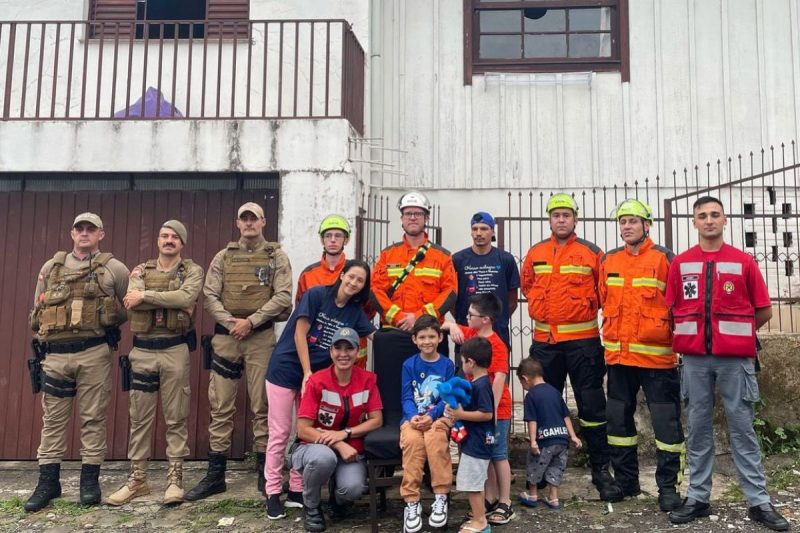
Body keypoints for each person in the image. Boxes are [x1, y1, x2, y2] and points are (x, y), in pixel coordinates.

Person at [666, 197, 789, 531]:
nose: (709, 221)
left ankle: (759, 503)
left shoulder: (743, 261)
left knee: (743, 431)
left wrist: (736, 338)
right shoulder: (680, 263)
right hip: (693, 361)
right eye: (702, 216)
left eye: (715, 215)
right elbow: (671, 309)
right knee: (699, 430)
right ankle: (697, 498)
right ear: (694, 222)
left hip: (735, 362)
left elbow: (764, 309)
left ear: (724, 220)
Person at [186, 202, 293, 501]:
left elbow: (284, 295)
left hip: (259, 338)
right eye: (244, 219)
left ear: (263, 222)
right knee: (220, 406)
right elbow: (209, 295)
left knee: (262, 405)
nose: (249, 224)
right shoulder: (223, 257)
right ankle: (215, 475)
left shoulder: (276, 257)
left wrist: (252, 321)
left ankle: (265, 472)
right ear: (238, 223)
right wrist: (231, 322)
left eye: (254, 219)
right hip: (226, 338)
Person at [520, 193, 621, 502]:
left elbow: (604, 293)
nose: (561, 219)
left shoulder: (593, 253)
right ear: (549, 220)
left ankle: (601, 470)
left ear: (575, 219)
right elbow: (527, 286)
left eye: (566, 214)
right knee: (543, 408)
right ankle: (541, 474)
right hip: (545, 346)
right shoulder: (535, 252)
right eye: (555, 215)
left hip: (583, 345)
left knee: (592, 408)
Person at [25, 212, 129, 512]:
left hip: (94, 352)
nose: (84, 233)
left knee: (93, 417)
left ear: (101, 234)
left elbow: (129, 307)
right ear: (72, 233)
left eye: (90, 229)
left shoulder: (114, 269)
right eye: (79, 229)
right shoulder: (52, 267)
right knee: (53, 420)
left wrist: (105, 319)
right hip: (55, 355)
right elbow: (38, 309)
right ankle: (48, 481)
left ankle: (89, 480)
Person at [264, 259, 376, 520]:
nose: (354, 283)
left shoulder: (354, 312)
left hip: (314, 379)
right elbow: (299, 333)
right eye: (351, 277)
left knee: (305, 434)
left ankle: (295, 490)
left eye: (360, 281)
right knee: (280, 432)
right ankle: (271, 493)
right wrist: (306, 373)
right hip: (287, 369)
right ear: (343, 274)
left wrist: (417, 338)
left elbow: (375, 336)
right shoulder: (316, 295)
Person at [106, 220, 203, 506]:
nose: (168, 240)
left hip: (175, 349)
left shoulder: (192, 271)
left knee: (176, 416)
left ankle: (175, 479)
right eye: (164, 236)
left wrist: (145, 296)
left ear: (182, 243)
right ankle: (138, 479)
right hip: (143, 351)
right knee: (140, 418)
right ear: (158, 240)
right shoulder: (140, 270)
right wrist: (169, 301)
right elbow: (129, 301)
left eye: (175, 237)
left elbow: (187, 296)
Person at [598, 199, 685, 511]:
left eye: (633, 221)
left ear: (647, 225)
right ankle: (626, 482)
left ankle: (668, 488)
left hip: (657, 362)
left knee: (667, 427)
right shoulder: (609, 261)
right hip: (619, 361)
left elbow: (679, 307)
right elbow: (603, 300)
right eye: (623, 222)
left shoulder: (665, 259)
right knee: (618, 425)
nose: (627, 227)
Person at [292, 327, 383, 533]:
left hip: (351, 450)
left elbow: (376, 420)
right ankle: (312, 505)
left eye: (349, 348)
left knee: (353, 489)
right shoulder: (317, 381)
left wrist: (346, 433)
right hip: (314, 446)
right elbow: (303, 430)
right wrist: (339, 443)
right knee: (324, 458)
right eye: (338, 348)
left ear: (357, 351)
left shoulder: (368, 379)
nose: (343, 354)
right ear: (331, 351)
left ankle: (337, 498)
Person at [445, 294, 514, 525]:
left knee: (498, 454)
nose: (467, 318)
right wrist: (453, 325)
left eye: (470, 315)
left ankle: (505, 501)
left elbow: (498, 381)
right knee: (486, 454)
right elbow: (443, 324)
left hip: (495, 410)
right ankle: (490, 497)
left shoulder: (497, 345)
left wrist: (490, 414)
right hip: (478, 410)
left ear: (485, 319)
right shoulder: (472, 334)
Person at [370, 190, 457, 361]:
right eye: (408, 213)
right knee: (391, 387)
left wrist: (418, 318)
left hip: (429, 335)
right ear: (401, 218)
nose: (412, 217)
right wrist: (399, 318)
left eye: (418, 213)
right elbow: (376, 291)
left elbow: (450, 292)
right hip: (393, 333)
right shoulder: (388, 255)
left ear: (426, 218)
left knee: (433, 387)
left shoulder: (443, 256)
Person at [400, 316, 455, 533]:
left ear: (440, 337)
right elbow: (406, 396)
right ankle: (411, 501)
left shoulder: (447, 365)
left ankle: (441, 496)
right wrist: (413, 415)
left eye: (432, 336)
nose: (427, 341)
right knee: (412, 443)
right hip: (412, 419)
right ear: (414, 339)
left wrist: (431, 416)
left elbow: (446, 398)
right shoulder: (409, 365)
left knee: (436, 439)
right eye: (422, 337)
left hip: (437, 418)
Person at [295, 215, 370, 369]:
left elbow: (368, 309)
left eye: (338, 235)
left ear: (346, 240)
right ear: (322, 240)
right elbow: (301, 313)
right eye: (328, 236)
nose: (333, 240)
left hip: (351, 356)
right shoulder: (308, 274)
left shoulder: (356, 273)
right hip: (316, 355)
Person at [516, 357, 582, 510]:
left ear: (525, 379)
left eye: (521, 383)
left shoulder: (531, 396)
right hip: (562, 439)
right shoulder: (555, 392)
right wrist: (573, 436)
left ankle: (532, 495)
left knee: (534, 465)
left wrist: (533, 441)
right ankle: (553, 498)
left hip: (544, 440)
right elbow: (566, 416)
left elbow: (532, 420)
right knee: (556, 468)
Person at [452, 211, 520, 355]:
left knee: (498, 373)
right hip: (467, 332)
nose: (478, 233)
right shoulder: (457, 260)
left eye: (484, 229)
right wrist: (466, 320)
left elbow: (512, 300)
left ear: (492, 232)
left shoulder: (506, 259)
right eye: (474, 229)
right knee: (467, 374)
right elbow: (452, 298)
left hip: (498, 332)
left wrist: (495, 320)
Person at [446, 336, 495, 533]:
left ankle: (480, 522)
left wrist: (460, 414)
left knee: (472, 483)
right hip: (476, 442)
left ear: (470, 362)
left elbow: (487, 413)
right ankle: (478, 517)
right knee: (475, 482)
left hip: (477, 443)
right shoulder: (478, 383)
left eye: (462, 361)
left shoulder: (481, 385)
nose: (461, 365)